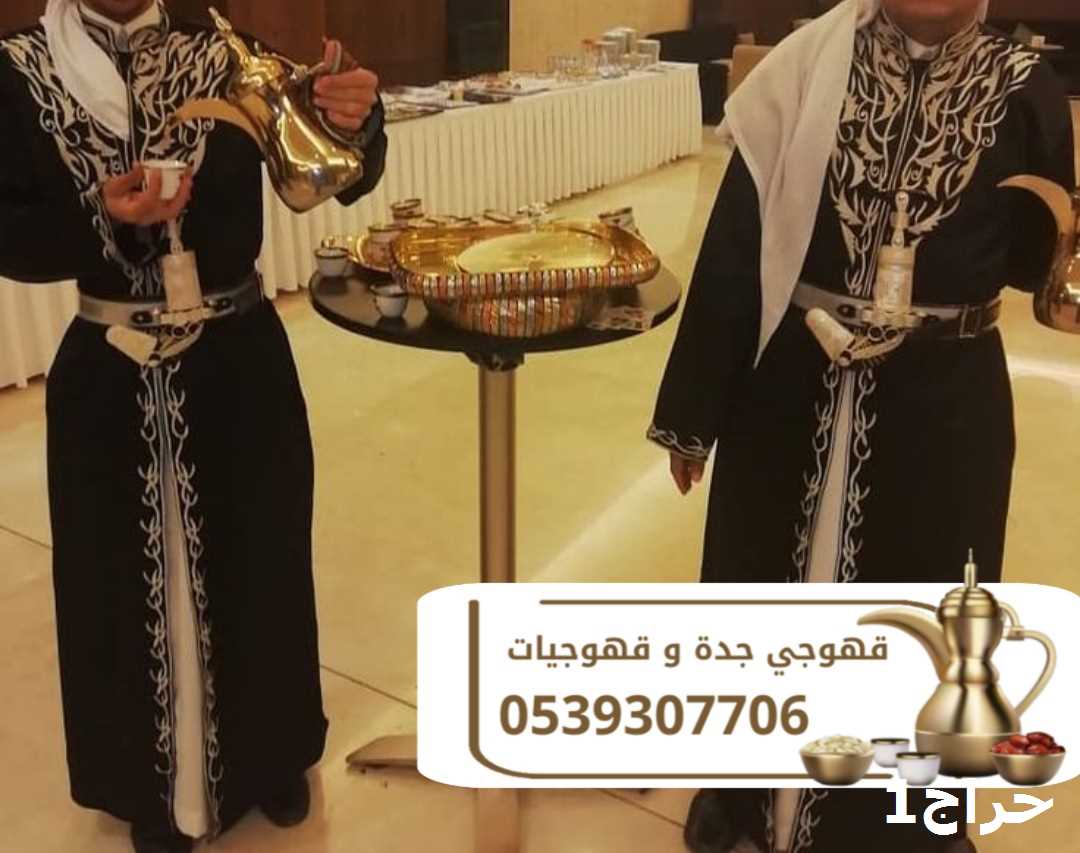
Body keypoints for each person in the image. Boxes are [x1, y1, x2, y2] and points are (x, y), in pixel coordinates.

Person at [648, 0, 1074, 850]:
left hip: (946, 400)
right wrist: (694, 410)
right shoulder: (807, 62)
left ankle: (912, 816)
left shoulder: (1026, 85)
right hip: (790, 383)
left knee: (928, 614)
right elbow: (738, 238)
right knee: (755, 597)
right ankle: (738, 790)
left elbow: (1038, 260)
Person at [0, 2, 387, 851]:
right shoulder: (23, 68)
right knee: (116, 581)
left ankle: (272, 754)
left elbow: (330, 166)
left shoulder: (222, 47)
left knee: (262, 559)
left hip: (236, 360)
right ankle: (148, 786)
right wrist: (98, 215)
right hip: (108, 373)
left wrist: (354, 114)